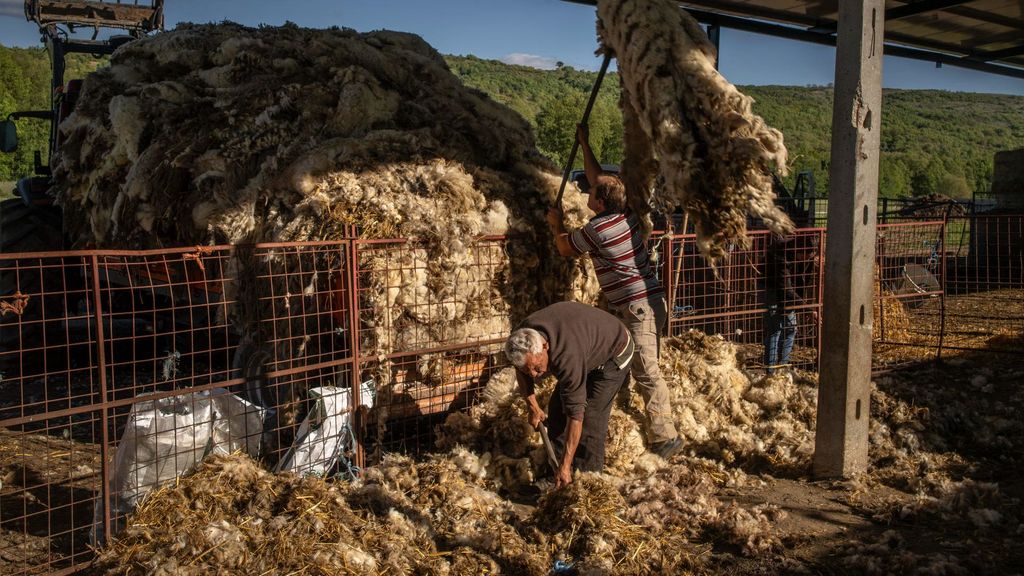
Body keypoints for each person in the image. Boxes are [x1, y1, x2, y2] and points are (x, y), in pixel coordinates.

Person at [544, 124, 682, 460]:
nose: (586, 192)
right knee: (625, 359)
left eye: (591, 193)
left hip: (637, 307)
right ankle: (625, 410)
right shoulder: (626, 213)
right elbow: (597, 180)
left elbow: (565, 249)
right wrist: (585, 144)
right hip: (643, 301)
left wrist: (556, 224)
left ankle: (665, 436)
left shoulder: (599, 229)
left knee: (646, 368)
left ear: (600, 203)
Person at [505, 301, 635, 488]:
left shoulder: (566, 357)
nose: (534, 375)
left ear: (545, 346)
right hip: (585, 345)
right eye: (528, 370)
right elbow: (521, 370)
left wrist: (566, 465)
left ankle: (588, 482)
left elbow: (576, 416)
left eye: (536, 367)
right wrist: (532, 406)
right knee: (557, 409)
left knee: (591, 417)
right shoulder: (522, 338)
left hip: (614, 353)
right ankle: (555, 476)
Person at [763, 233, 820, 375]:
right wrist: (807, 309)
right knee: (775, 329)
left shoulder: (807, 257)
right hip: (771, 287)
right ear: (798, 251)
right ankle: (771, 371)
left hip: (790, 289)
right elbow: (784, 287)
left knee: (791, 329)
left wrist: (798, 306)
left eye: (810, 257)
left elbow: (802, 282)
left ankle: (782, 366)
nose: (807, 260)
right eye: (805, 257)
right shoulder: (780, 256)